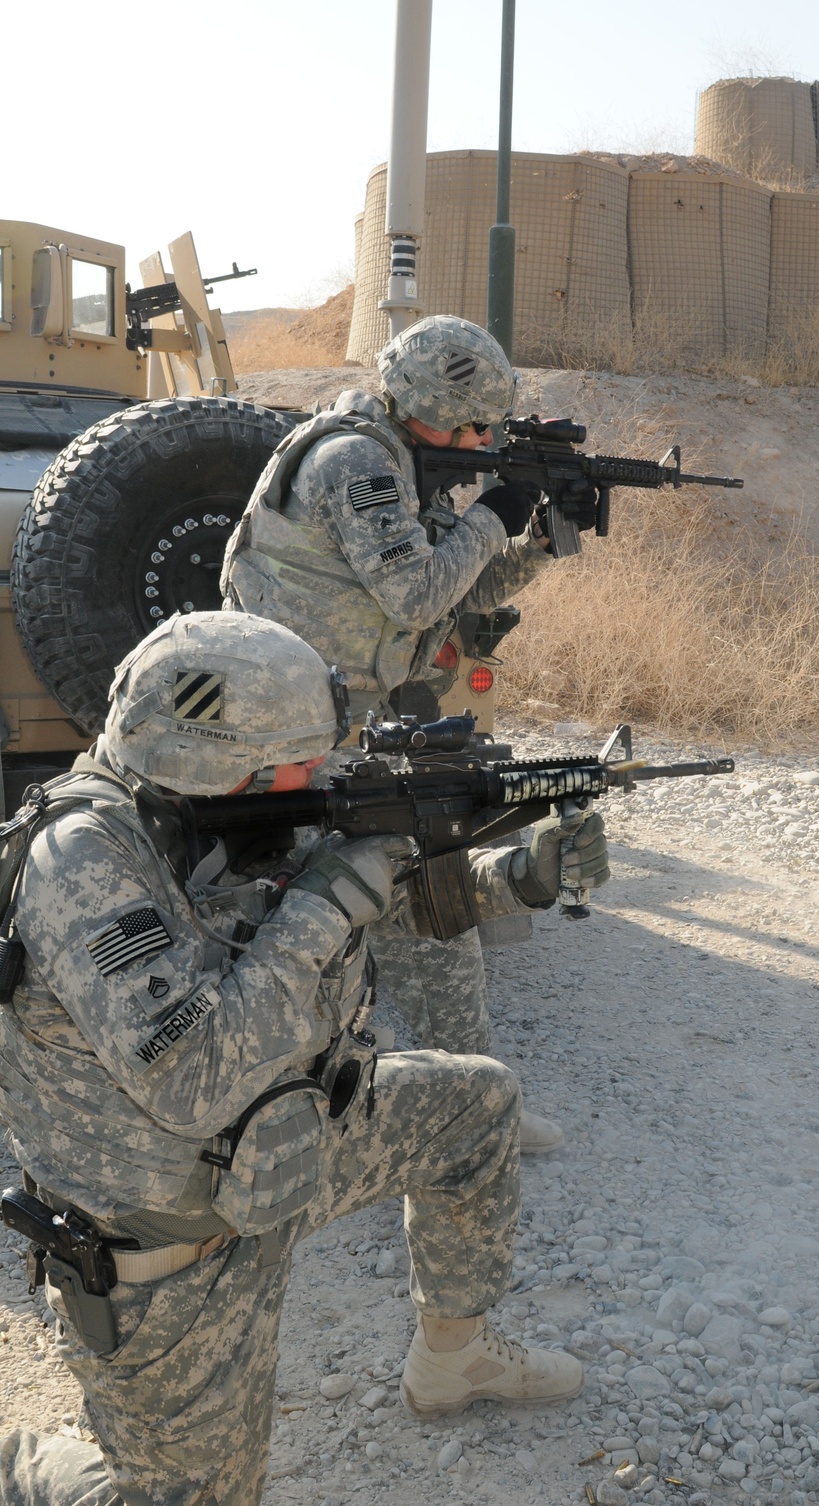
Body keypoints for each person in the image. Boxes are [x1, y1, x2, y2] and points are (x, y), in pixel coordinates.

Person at [0, 610, 609, 1506]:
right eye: (298, 755)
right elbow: (198, 1077)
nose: (321, 770)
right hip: (169, 1246)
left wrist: (524, 875)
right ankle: (30, 1468)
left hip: (288, 1145)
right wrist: (321, 908)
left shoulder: (222, 808)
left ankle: (454, 1358)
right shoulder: (80, 863)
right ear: (216, 761)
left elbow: (393, 900)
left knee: (475, 1108)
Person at [221, 314, 598, 1154]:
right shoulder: (355, 462)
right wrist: (497, 507)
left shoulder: (400, 463)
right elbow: (418, 595)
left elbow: (466, 585)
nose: (481, 437)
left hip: (342, 726)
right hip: (282, 737)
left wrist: (539, 535)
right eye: (472, 423)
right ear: (426, 404)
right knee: (281, 934)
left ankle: (474, 1104)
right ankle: (251, 1128)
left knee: (432, 909)